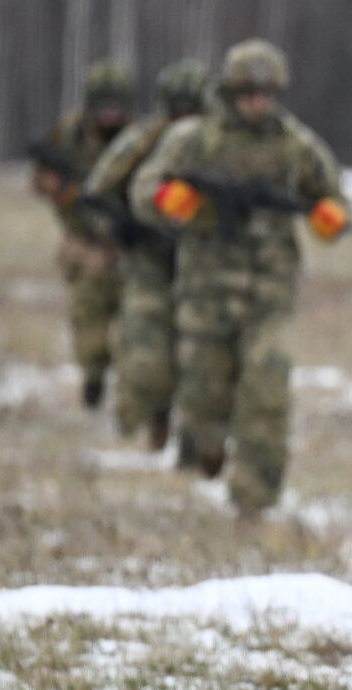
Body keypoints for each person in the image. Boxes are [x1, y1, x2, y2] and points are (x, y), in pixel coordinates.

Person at [129, 39, 349, 516]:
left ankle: (255, 498)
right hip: (205, 291)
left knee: (266, 389)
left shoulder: (294, 144)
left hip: (269, 291)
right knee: (204, 392)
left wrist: (330, 216)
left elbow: (329, 194)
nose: (258, 102)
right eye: (248, 92)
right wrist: (169, 198)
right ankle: (205, 446)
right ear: (230, 91)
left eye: (266, 92)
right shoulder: (194, 138)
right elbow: (144, 187)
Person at [85, 58, 209, 451]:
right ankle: (136, 424)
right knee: (145, 354)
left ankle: (185, 435)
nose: (185, 118)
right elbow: (97, 191)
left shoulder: (216, 142)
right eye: (179, 108)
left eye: (193, 108)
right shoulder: (142, 139)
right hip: (147, 257)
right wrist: (120, 226)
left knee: (196, 358)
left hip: (200, 263)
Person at [30, 60, 134, 409]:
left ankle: (137, 394)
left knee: (135, 326)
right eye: (103, 106)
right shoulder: (69, 132)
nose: (110, 114)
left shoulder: (137, 137)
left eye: (116, 106)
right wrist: (65, 190)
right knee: (88, 322)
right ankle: (93, 377)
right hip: (83, 245)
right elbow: (41, 179)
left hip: (129, 245)